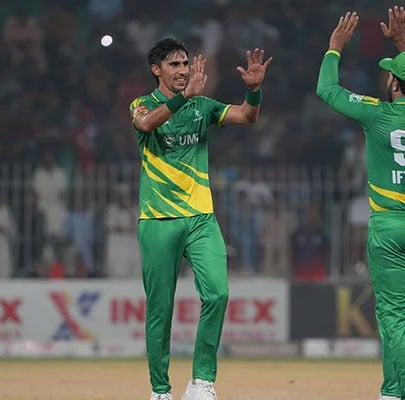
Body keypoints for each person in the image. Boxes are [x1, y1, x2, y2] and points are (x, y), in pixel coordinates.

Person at [316, 7, 405, 400]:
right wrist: (404, 43)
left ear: (392, 82)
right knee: (394, 315)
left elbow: (327, 90)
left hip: (389, 229)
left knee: (395, 319)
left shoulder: (379, 116)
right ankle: (392, 390)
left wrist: (334, 49)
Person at [129, 37, 272, 400]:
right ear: (156, 69)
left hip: (200, 218)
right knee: (160, 309)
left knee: (218, 294)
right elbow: (146, 125)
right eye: (174, 65)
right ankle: (160, 391)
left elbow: (246, 116)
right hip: (159, 219)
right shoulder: (142, 104)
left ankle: (202, 382)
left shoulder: (202, 106)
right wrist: (183, 97)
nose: (182, 71)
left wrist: (253, 92)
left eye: (185, 64)